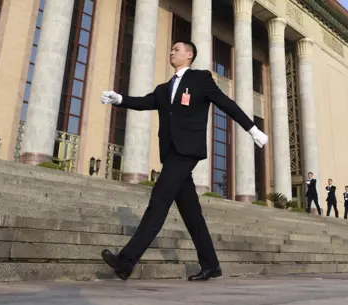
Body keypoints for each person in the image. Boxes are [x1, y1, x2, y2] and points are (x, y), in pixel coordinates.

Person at [99, 40, 268, 281]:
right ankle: (211, 265)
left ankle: (126, 262)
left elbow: (226, 103)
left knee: (159, 200)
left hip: (187, 151)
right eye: (171, 49)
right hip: (171, 153)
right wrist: (119, 99)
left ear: (189, 55)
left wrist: (252, 129)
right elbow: (144, 102)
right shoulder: (164, 89)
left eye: (176, 49)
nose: (172, 52)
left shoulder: (201, 79)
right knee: (191, 213)